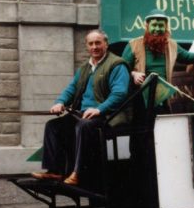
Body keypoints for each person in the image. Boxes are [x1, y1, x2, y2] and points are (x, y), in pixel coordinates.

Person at [32, 29, 131, 186]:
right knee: (53, 126)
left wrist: (99, 109)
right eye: (90, 43)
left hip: (108, 116)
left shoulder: (117, 65)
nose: (94, 47)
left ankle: (78, 173)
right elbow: (71, 89)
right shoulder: (85, 67)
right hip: (84, 114)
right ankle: (55, 171)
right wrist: (60, 102)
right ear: (87, 46)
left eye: (98, 42)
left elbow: (119, 94)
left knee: (83, 126)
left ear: (106, 44)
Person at [122, 9, 194, 88]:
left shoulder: (171, 45)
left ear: (165, 27)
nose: (157, 29)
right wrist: (134, 74)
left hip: (163, 95)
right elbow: (121, 70)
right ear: (147, 26)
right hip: (139, 95)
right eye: (154, 25)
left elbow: (187, 57)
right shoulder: (133, 45)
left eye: (161, 26)